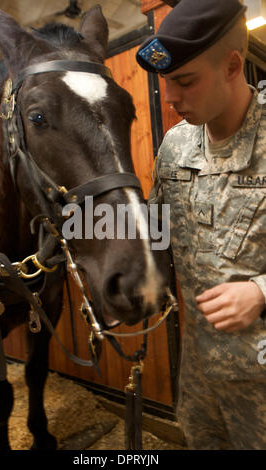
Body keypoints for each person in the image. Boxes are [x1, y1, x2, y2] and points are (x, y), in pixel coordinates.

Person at [136, 0, 266, 450]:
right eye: (166, 82)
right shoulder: (175, 144)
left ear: (233, 65)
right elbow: (157, 233)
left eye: (185, 81)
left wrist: (261, 292)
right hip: (199, 378)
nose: (170, 98)